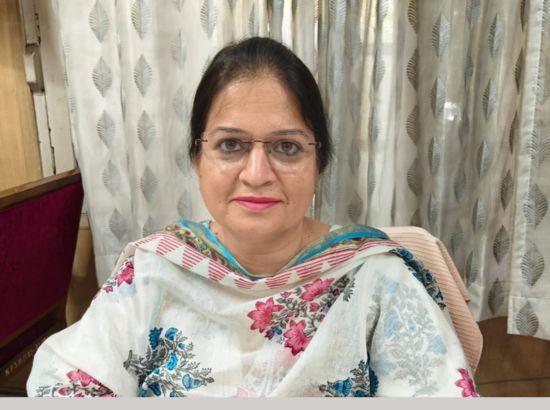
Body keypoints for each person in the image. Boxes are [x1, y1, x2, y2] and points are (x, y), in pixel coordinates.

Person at [27, 37, 478, 397]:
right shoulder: (152, 273)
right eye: (230, 145)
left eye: (287, 147)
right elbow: (68, 382)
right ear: (197, 158)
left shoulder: (377, 280)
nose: (257, 174)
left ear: (318, 163)